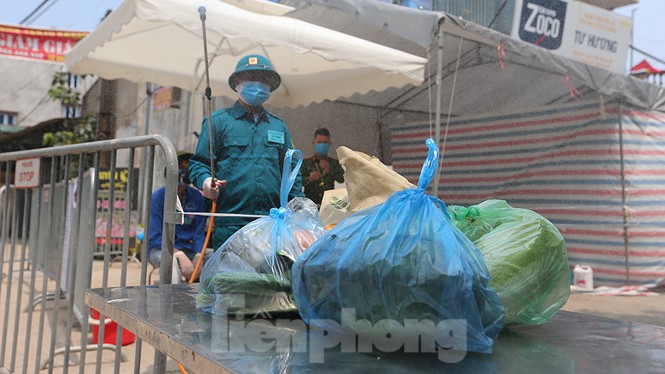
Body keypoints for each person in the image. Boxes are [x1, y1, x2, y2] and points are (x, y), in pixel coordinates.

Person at [188, 54, 304, 249]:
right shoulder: (217, 122)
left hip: (271, 222)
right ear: (237, 83)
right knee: (230, 278)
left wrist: (296, 213)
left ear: (270, 86)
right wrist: (206, 182)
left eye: (263, 80)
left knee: (269, 278)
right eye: (250, 78)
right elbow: (198, 164)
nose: (257, 85)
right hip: (230, 223)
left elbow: (292, 172)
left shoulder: (278, 127)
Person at [148, 151, 211, 280]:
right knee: (171, 265)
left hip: (190, 249)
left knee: (214, 258)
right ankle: (171, 299)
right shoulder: (158, 198)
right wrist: (178, 253)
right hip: (161, 249)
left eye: (187, 167)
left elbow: (199, 232)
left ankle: (201, 298)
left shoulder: (196, 197)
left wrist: (199, 254)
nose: (184, 171)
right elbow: (154, 236)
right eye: (181, 167)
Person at [301, 128, 345, 206]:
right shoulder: (306, 163)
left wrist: (331, 171)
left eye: (325, 142)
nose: (322, 145)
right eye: (319, 142)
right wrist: (309, 179)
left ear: (329, 144)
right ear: (314, 143)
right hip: (309, 204)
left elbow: (342, 179)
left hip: (328, 204)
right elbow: (297, 182)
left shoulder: (334, 163)